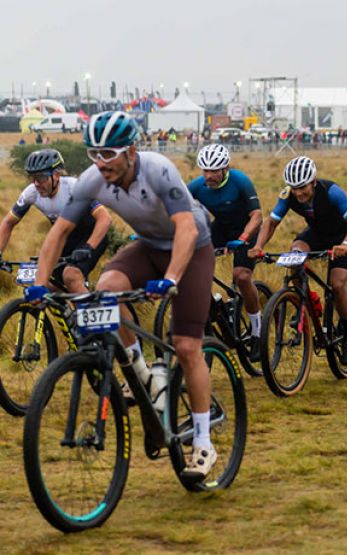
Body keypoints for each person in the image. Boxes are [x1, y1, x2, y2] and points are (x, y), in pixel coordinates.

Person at [28, 111, 218, 480]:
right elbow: (59, 233)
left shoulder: (159, 170)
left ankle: (204, 442)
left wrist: (172, 278)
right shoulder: (91, 179)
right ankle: (145, 373)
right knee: (106, 289)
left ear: (131, 150)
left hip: (192, 248)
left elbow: (185, 229)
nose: (101, 163)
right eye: (94, 153)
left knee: (186, 346)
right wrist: (38, 283)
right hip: (148, 245)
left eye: (109, 153)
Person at [248, 156, 347, 365]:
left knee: (337, 285)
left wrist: (346, 244)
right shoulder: (288, 194)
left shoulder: (332, 192)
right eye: (295, 188)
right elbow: (271, 222)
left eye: (303, 187)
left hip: (342, 237)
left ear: (314, 182)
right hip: (316, 234)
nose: (299, 193)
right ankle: (308, 302)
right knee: (295, 256)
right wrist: (258, 246)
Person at [187, 144, 264, 359]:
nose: (209, 176)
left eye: (214, 171)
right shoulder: (197, 186)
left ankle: (257, 332)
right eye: (205, 171)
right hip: (220, 228)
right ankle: (219, 307)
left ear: (225, 169)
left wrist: (242, 239)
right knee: (195, 268)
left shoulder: (240, 181)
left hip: (246, 229)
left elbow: (257, 215)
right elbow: (174, 209)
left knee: (241, 276)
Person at [0, 149, 111, 293]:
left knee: (71, 276)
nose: (36, 183)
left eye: (41, 177)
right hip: (64, 240)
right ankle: (69, 313)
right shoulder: (31, 193)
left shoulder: (74, 187)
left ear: (57, 175)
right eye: (32, 177)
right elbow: (8, 223)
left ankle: (91, 313)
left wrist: (89, 247)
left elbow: (104, 218)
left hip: (92, 236)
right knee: (44, 282)